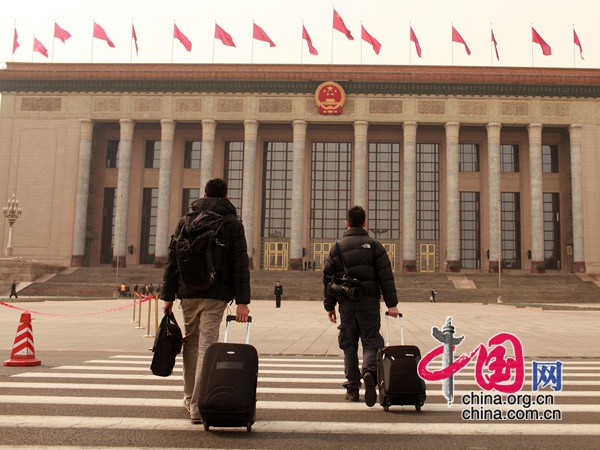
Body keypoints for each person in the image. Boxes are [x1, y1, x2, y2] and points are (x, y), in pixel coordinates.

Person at [161, 178, 250, 425]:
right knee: (206, 346)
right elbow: (240, 264)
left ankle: (190, 397)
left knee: (191, 344)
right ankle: (198, 405)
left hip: (187, 292)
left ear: (203, 194)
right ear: (226, 197)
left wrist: (167, 296)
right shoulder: (231, 223)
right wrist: (242, 301)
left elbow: (171, 261)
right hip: (215, 293)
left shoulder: (186, 221)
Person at [323, 205, 399, 407]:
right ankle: (369, 371)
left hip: (347, 306)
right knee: (370, 342)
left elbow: (328, 280)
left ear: (346, 223)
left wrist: (329, 306)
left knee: (349, 346)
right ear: (365, 223)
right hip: (369, 305)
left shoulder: (337, 247)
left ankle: (352, 390)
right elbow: (386, 277)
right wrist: (392, 305)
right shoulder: (375, 246)